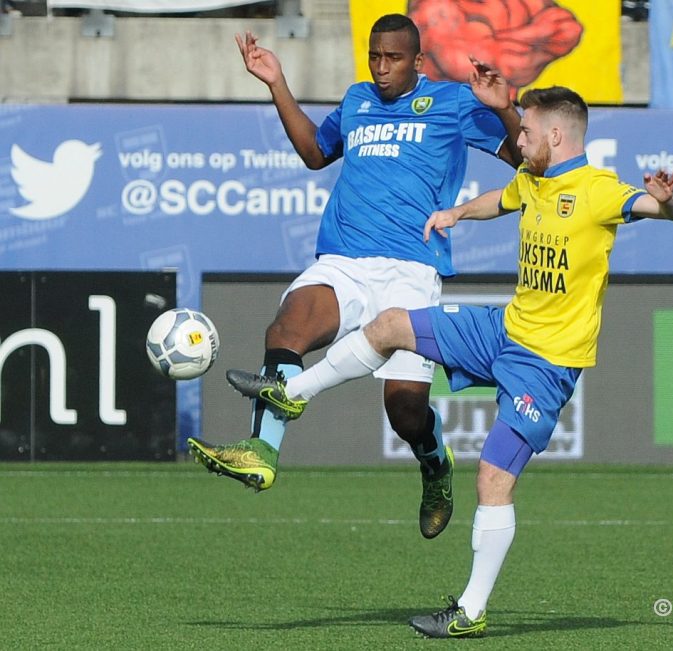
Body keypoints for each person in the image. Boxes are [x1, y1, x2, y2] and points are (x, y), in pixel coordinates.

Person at [244, 85, 673, 637]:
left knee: (493, 481)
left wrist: (667, 199)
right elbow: (498, 201)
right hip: (502, 329)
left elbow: (659, 210)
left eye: (525, 131)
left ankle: (471, 611)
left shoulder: (596, 189)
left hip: (545, 364)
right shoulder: (534, 180)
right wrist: (454, 213)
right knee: (390, 326)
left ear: (555, 135)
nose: (516, 138)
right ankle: (293, 394)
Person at [187, 13, 522, 541]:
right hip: (344, 261)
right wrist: (277, 83)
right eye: (374, 56)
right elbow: (316, 153)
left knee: (405, 409)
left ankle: (434, 463)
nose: (382, 68)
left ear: (417, 60)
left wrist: (505, 108)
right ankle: (261, 452)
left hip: (412, 269)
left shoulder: (453, 103)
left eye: (393, 58)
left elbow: (526, 153)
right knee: (286, 331)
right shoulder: (357, 100)